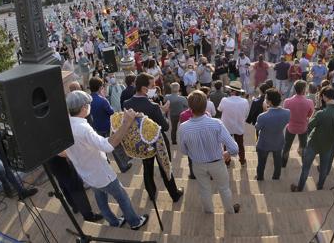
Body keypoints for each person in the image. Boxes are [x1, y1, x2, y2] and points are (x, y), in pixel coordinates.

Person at [64, 91, 149, 229]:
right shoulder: (83, 128)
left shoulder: (66, 125)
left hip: (86, 173)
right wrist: (126, 123)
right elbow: (108, 146)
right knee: (122, 197)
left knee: (100, 198)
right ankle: (134, 222)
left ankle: (114, 222)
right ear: (84, 108)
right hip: (101, 173)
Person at [178, 90, 241, 214]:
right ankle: (229, 211)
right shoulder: (216, 123)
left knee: (204, 189)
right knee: (224, 189)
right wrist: (227, 154)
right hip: (217, 163)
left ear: (190, 107)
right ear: (206, 105)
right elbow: (234, 149)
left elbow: (183, 151)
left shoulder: (183, 127)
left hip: (197, 164)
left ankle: (209, 212)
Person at [123, 73, 183, 203]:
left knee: (147, 168)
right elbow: (166, 127)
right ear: (145, 88)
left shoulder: (127, 103)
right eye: (152, 86)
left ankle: (151, 193)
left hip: (142, 143)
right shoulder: (153, 106)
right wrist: (164, 111)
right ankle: (174, 194)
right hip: (158, 142)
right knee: (165, 167)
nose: (155, 88)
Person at [291, 86, 334, 192]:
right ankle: (320, 186)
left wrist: (317, 109)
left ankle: (300, 187)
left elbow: (309, 126)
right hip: (329, 144)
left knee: (306, 168)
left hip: (314, 143)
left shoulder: (321, 113)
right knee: (324, 167)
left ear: (325, 97)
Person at [254, 88, 290, 181]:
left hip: (264, 143)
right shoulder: (287, 112)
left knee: (261, 163)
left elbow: (257, 127)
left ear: (269, 102)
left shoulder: (263, 116)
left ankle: (260, 177)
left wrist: (264, 110)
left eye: (266, 99)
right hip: (278, 141)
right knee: (278, 162)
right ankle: (276, 177)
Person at [282, 80, 315, 167]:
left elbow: (286, 114)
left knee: (287, 146)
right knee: (303, 146)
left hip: (291, 127)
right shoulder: (309, 102)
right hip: (303, 127)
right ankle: (304, 163)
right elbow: (310, 115)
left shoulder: (287, 101)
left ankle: (283, 163)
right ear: (304, 89)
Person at [218, 81, 250, 166]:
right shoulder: (245, 101)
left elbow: (219, 109)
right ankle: (242, 161)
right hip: (239, 126)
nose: (228, 91)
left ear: (233, 91)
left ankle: (227, 162)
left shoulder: (224, 100)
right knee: (240, 144)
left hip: (227, 127)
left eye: (230, 90)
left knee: (226, 144)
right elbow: (246, 114)